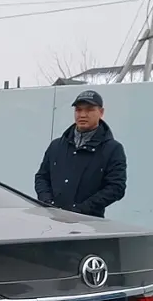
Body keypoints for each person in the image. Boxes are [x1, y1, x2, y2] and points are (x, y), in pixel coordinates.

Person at [34, 90, 127, 218]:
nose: (82, 115)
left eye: (89, 110)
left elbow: (116, 187)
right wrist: (48, 202)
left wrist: (81, 209)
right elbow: (42, 177)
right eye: (78, 110)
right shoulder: (56, 146)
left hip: (88, 223)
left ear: (101, 112)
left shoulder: (112, 149)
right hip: (52, 220)